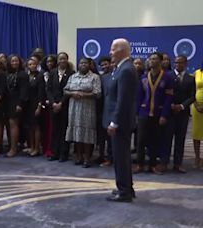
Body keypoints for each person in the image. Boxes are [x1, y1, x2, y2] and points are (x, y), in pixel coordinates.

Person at [103, 38, 138, 202]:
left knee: (121, 157)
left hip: (120, 122)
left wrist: (114, 122)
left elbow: (123, 100)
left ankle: (124, 192)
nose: (110, 52)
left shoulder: (126, 70)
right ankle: (126, 187)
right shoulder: (120, 68)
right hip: (119, 121)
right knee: (121, 157)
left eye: (113, 49)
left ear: (123, 50)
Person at [134, 52, 173, 175]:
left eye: (154, 59)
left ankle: (152, 165)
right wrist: (137, 113)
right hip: (144, 112)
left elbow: (168, 98)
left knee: (155, 140)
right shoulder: (144, 77)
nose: (151, 61)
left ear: (161, 61)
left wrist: (164, 115)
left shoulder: (167, 77)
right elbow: (139, 96)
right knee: (140, 140)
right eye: (150, 58)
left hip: (158, 113)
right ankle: (139, 164)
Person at [65, 58, 101, 168]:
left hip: (88, 109)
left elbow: (97, 93)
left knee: (87, 134)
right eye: (81, 63)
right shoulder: (73, 77)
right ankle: (79, 156)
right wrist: (73, 93)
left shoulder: (94, 77)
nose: (83, 65)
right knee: (77, 133)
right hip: (74, 109)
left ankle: (87, 158)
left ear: (89, 65)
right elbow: (65, 90)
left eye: (85, 63)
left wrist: (83, 95)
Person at [161, 55, 195, 173]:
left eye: (180, 63)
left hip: (183, 113)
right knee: (166, 138)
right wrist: (169, 105)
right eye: (176, 62)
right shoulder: (167, 76)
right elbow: (163, 93)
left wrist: (181, 106)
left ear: (185, 64)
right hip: (169, 112)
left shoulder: (190, 79)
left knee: (180, 139)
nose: (177, 65)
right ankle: (164, 162)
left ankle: (178, 164)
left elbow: (192, 96)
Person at [46, 52, 75, 162]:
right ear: (57, 60)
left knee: (64, 130)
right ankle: (54, 153)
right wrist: (53, 103)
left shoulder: (72, 73)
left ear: (67, 60)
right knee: (54, 130)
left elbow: (69, 90)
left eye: (64, 59)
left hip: (65, 105)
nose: (62, 61)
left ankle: (64, 154)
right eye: (60, 59)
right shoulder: (52, 72)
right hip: (53, 106)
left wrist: (61, 103)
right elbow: (48, 89)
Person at [5, 54, 29, 157]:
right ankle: (11, 146)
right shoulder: (7, 73)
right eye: (12, 61)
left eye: (16, 61)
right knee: (9, 125)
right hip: (8, 102)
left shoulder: (23, 74)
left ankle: (14, 149)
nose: (15, 63)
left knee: (13, 124)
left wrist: (20, 104)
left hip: (17, 102)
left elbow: (24, 91)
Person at [24, 58, 45, 157]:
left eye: (34, 64)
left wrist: (39, 106)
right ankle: (31, 146)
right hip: (27, 105)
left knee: (36, 127)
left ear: (37, 65)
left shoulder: (40, 76)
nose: (32, 66)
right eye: (30, 64)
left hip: (36, 104)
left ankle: (37, 148)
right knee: (29, 127)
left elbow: (41, 92)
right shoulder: (27, 76)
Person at [40, 54, 57, 157]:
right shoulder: (42, 74)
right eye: (47, 62)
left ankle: (51, 148)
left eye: (51, 61)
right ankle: (44, 147)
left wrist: (51, 101)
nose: (49, 63)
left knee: (52, 128)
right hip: (43, 104)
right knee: (44, 128)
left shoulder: (56, 73)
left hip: (53, 103)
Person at [192, 63, 203, 169]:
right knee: (196, 134)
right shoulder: (197, 73)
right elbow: (192, 91)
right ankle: (197, 158)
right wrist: (196, 104)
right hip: (197, 107)